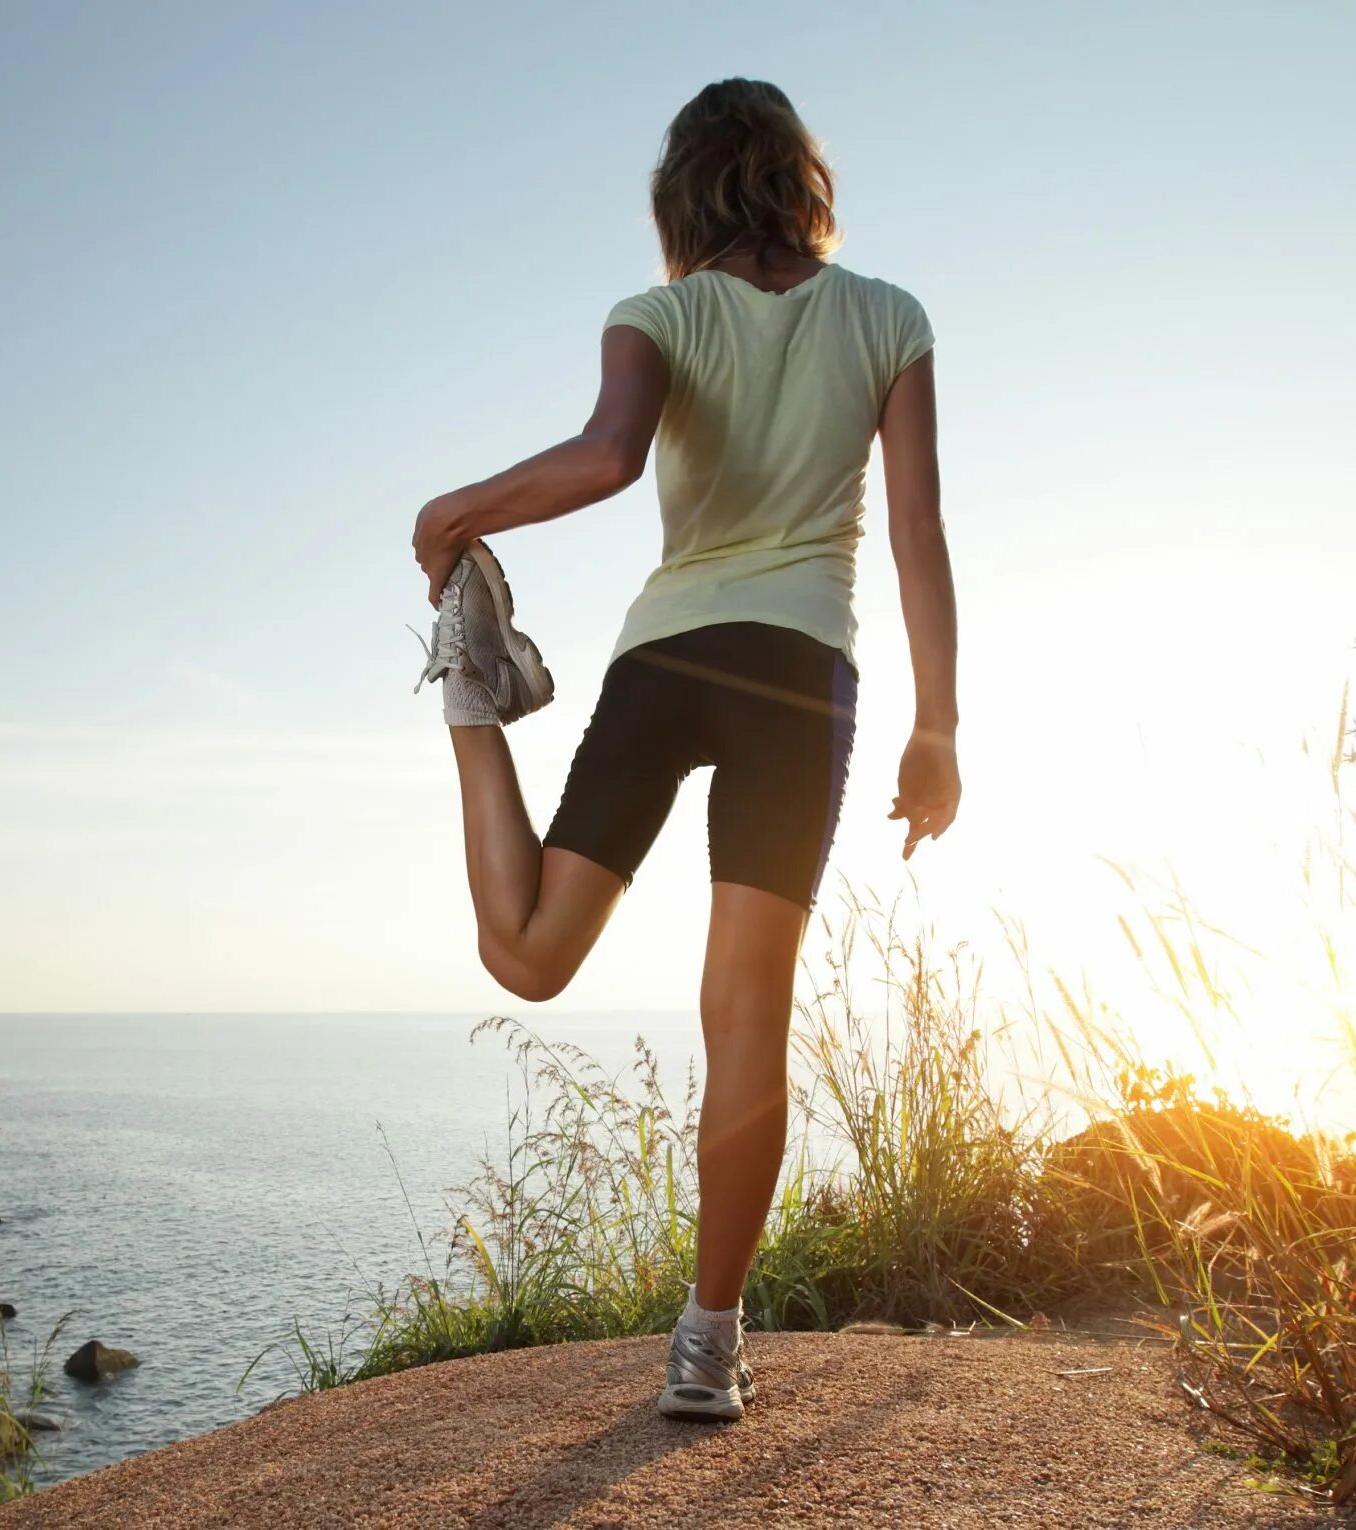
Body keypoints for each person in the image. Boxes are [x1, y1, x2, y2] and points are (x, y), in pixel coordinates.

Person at [408, 77, 959, 1423]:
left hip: (674, 655)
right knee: (746, 1019)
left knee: (525, 954)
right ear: (799, 180)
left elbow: (607, 456)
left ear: (684, 196)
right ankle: (707, 1346)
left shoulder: (655, 313)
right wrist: (937, 721)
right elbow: (916, 531)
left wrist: (454, 511)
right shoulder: (889, 317)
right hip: (800, 676)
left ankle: (474, 701)